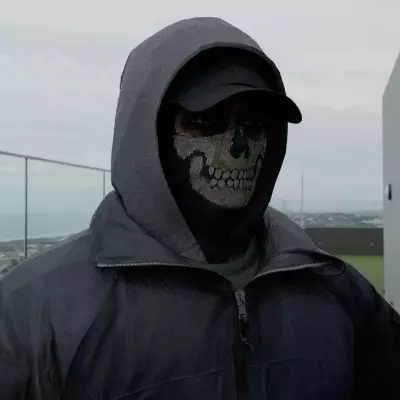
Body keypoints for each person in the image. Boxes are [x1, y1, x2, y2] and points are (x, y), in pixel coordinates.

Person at [0, 17, 399, 400]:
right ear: (148, 134)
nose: (239, 147)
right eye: (206, 121)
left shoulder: (335, 289)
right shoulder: (34, 314)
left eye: (255, 125)